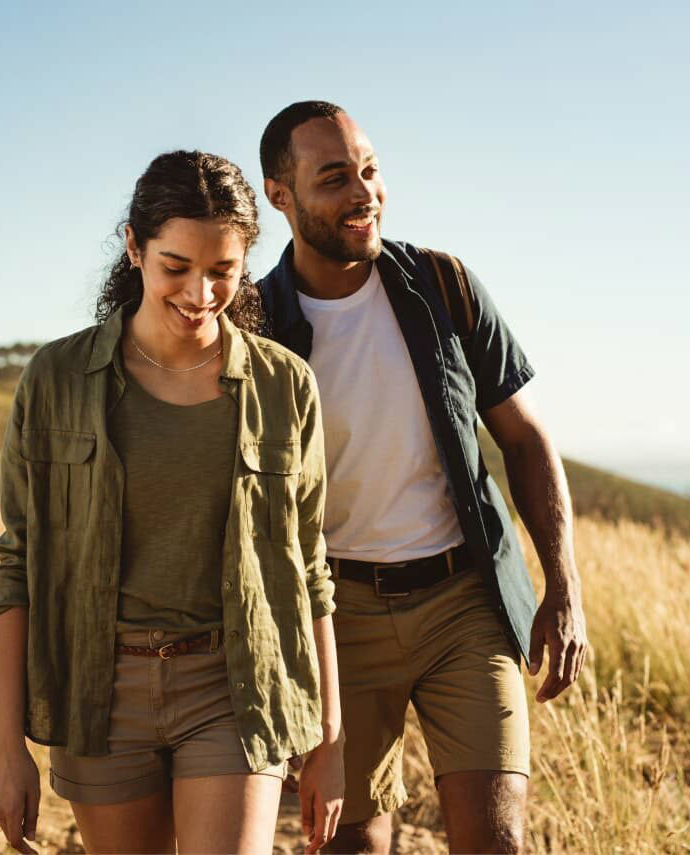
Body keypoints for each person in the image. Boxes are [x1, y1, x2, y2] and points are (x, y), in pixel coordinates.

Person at [0, 150, 343, 855]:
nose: (200, 291)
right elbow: (16, 565)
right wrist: (6, 748)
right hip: (99, 689)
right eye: (175, 266)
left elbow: (310, 568)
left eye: (222, 271)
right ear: (133, 246)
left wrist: (330, 739)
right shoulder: (56, 378)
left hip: (233, 684)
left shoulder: (284, 386)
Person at [256, 101, 589, 853]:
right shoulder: (256, 324)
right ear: (280, 194)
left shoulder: (443, 285)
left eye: (369, 170)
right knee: (354, 845)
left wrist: (562, 586)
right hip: (335, 622)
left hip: (461, 603)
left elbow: (525, 438)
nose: (362, 192)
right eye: (334, 177)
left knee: (495, 839)